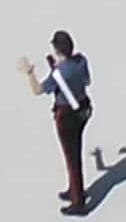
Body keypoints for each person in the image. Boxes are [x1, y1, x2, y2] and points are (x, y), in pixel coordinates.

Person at [28, 30, 94, 212]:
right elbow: (86, 81)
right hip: (82, 109)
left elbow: (38, 90)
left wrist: (29, 73)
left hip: (66, 116)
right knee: (75, 151)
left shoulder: (59, 73)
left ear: (57, 50)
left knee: (71, 157)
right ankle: (74, 188)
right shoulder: (81, 61)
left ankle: (78, 201)